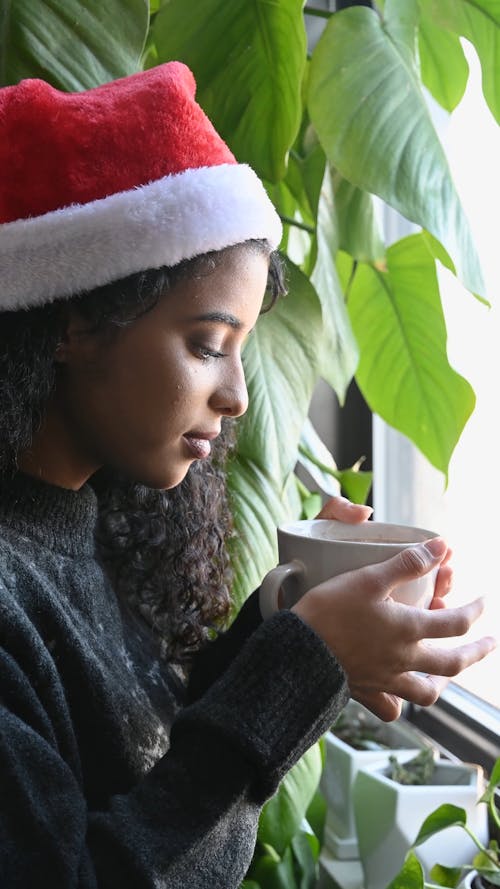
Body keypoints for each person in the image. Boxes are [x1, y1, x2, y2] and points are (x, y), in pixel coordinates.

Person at [0, 62, 494, 888]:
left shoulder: (93, 517)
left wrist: (291, 625)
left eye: (242, 349)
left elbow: (150, 764)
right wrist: (297, 667)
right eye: (205, 344)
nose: (235, 397)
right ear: (75, 320)